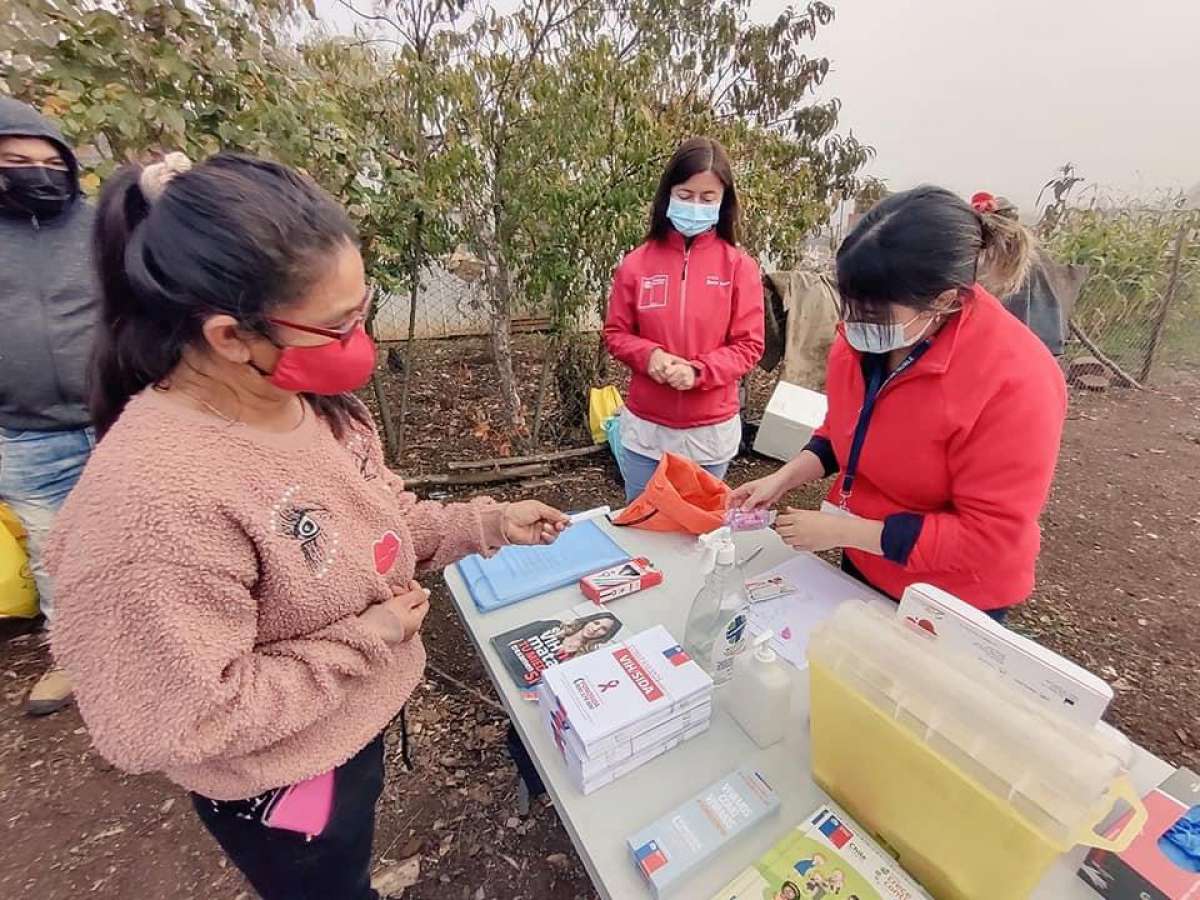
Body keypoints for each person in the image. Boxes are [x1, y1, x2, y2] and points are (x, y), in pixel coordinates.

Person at [45, 152, 568, 900]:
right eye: (338, 324)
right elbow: (177, 719)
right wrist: (368, 640)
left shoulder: (311, 408)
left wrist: (486, 522)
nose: (363, 341)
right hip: (281, 780)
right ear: (231, 337)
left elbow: (378, 521)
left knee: (345, 864)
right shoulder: (152, 501)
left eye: (363, 309)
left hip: (344, 730)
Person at [732, 186, 1066, 618]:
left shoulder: (1017, 381)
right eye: (850, 303)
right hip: (865, 557)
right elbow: (844, 431)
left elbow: (988, 538)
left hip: (950, 596)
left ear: (943, 299)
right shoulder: (861, 338)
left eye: (873, 312)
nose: (853, 323)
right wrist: (782, 480)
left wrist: (843, 530)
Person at [0, 97, 99, 716]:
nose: (37, 173)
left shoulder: (99, 228)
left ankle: (158, 652)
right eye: (16, 160)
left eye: (50, 162)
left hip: (119, 420)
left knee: (151, 540)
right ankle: (75, 660)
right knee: (55, 552)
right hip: (26, 433)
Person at [604, 136, 765, 501]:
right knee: (643, 523)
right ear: (668, 196)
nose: (695, 206)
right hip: (646, 431)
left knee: (701, 531)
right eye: (685, 194)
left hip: (710, 432)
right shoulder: (637, 264)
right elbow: (616, 333)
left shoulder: (739, 267)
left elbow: (749, 345)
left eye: (708, 198)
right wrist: (651, 357)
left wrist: (697, 371)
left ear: (724, 203)